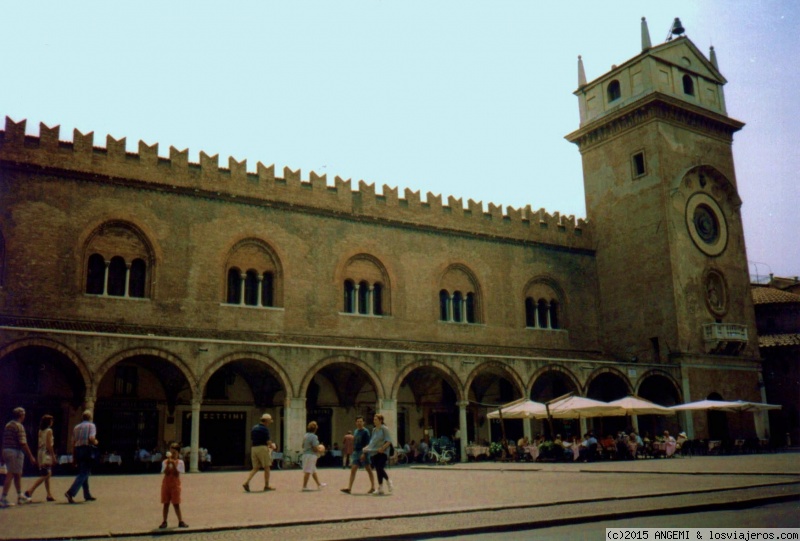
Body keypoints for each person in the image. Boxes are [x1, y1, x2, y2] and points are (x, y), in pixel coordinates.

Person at [1, 407, 37, 507]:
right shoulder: (19, 426)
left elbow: (4, 440)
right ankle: (3, 497)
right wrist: (30, 456)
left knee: (17, 474)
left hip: (6, 450)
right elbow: (23, 443)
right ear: (21, 415)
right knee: (11, 474)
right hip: (15, 451)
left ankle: (20, 495)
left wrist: (2, 455)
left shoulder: (8, 425)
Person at [64, 410, 98, 504]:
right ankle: (70, 492)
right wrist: (96, 442)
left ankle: (87, 494)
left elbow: (73, 442)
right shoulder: (91, 426)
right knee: (84, 472)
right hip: (87, 449)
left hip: (78, 449)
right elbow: (91, 438)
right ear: (90, 417)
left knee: (84, 471)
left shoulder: (76, 427)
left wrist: (74, 457)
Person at [24, 414, 56, 502]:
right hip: (46, 453)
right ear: (49, 422)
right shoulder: (49, 431)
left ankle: (49, 494)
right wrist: (53, 456)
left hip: (40, 452)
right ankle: (30, 490)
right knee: (46, 474)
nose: (52, 422)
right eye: (51, 421)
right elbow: (49, 444)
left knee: (46, 473)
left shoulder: (40, 431)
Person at [340, 416, 375, 494]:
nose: (359, 423)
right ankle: (349, 488)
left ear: (363, 422)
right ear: (355, 423)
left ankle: (373, 487)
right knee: (353, 469)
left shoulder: (365, 432)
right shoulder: (355, 431)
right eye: (358, 421)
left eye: (361, 421)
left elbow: (368, 443)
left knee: (368, 469)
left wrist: (364, 453)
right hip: (356, 452)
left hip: (363, 452)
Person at [243, 413, 276, 492]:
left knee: (255, 468)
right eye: (269, 422)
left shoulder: (254, 428)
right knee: (267, 467)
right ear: (267, 421)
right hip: (262, 448)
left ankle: (246, 482)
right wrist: (273, 446)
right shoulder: (264, 429)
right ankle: (266, 485)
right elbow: (268, 441)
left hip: (254, 448)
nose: (269, 423)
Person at [362, 413, 393, 495]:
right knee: (378, 470)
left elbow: (389, 441)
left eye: (376, 419)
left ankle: (388, 481)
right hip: (374, 452)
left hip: (383, 452)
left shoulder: (384, 429)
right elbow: (372, 442)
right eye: (374, 419)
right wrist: (367, 448)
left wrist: (382, 448)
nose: (374, 421)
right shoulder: (374, 430)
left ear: (380, 420)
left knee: (379, 467)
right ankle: (380, 488)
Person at [159, 443, 188, 529]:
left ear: (178, 453)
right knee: (165, 503)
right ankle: (164, 521)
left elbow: (176, 473)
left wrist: (173, 464)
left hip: (175, 485)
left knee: (176, 504)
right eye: (171, 452)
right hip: (166, 485)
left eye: (174, 452)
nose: (173, 454)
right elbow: (165, 472)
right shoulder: (165, 462)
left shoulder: (180, 462)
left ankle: (180, 521)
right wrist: (168, 463)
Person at [301, 421, 326, 491]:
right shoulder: (314, 437)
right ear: (315, 429)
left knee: (313, 470)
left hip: (305, 454)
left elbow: (302, 445)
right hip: (311, 455)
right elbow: (315, 448)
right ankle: (304, 486)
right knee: (308, 470)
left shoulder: (305, 435)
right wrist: (321, 450)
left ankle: (319, 484)